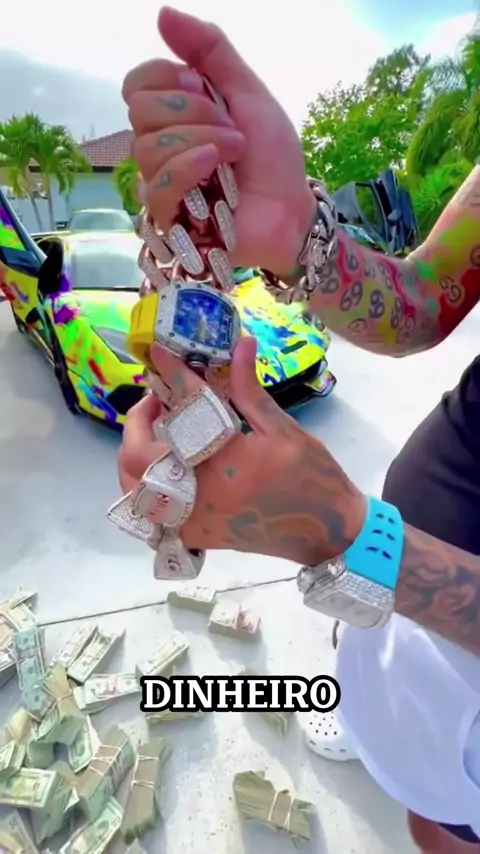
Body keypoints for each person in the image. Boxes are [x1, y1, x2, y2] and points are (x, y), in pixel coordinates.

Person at [119, 7, 480, 852]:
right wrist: (296, 236)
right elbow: (425, 299)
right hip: (401, 612)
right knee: (412, 766)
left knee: (447, 829)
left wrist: (353, 539)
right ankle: (382, 715)